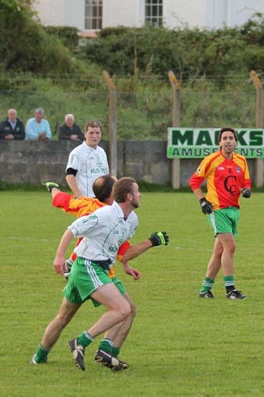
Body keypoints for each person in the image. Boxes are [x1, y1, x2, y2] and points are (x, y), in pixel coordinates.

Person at [30, 176, 169, 371]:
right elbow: (72, 229)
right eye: (138, 191)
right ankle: (80, 342)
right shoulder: (104, 214)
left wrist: (126, 264)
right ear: (129, 196)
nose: (141, 194)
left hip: (97, 269)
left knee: (70, 316)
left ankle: (41, 357)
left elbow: (119, 247)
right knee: (122, 309)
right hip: (87, 266)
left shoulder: (131, 220)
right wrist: (59, 257)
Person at [189, 127, 252, 300]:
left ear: (236, 142)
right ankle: (230, 289)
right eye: (224, 138)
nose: (228, 141)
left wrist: (246, 190)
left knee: (219, 251)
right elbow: (194, 181)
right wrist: (202, 200)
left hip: (234, 209)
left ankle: (205, 289)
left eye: (231, 138)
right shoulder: (211, 160)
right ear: (219, 142)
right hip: (217, 209)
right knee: (230, 246)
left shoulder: (241, 161)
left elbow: (246, 181)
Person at [65, 120, 109, 197]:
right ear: (85, 134)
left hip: (103, 199)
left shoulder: (102, 152)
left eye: (97, 133)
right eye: (91, 133)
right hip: (87, 199)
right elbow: (69, 175)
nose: (95, 136)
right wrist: (79, 195)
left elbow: (106, 175)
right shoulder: (77, 152)